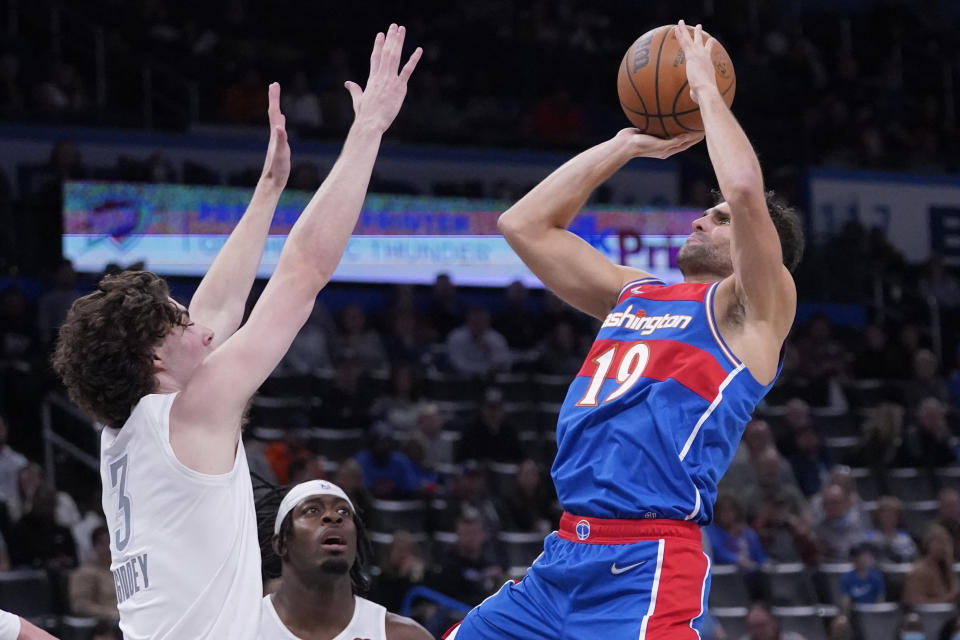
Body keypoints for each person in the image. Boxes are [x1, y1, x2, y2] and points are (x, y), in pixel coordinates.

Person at [51, 25, 421, 639]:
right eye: (176, 318)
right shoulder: (191, 414)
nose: (195, 324)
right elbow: (303, 273)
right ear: (153, 358)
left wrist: (269, 188)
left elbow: (218, 308)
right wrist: (368, 129)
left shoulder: (124, 430)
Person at [447, 21, 804, 639]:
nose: (701, 218)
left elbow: (745, 191)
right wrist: (624, 146)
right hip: (564, 551)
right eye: (705, 211)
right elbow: (523, 224)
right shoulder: (636, 294)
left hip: (646, 560)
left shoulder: (754, 310)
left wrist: (703, 89)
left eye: (717, 219)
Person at [261, 480, 433, 640]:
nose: (333, 516)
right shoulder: (241, 627)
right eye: (312, 510)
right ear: (282, 543)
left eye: (343, 511)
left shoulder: (404, 636)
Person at [68, 525, 119, 620]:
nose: (109, 547)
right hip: (104, 625)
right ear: (95, 546)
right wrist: (110, 614)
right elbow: (80, 605)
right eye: (104, 543)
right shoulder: (85, 572)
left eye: (112, 543)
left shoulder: (121, 568)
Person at [902, 523, 959, 606]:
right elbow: (914, 603)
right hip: (926, 617)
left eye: (947, 543)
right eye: (939, 542)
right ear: (928, 544)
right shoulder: (918, 571)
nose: (944, 547)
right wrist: (949, 598)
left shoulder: (946, 568)